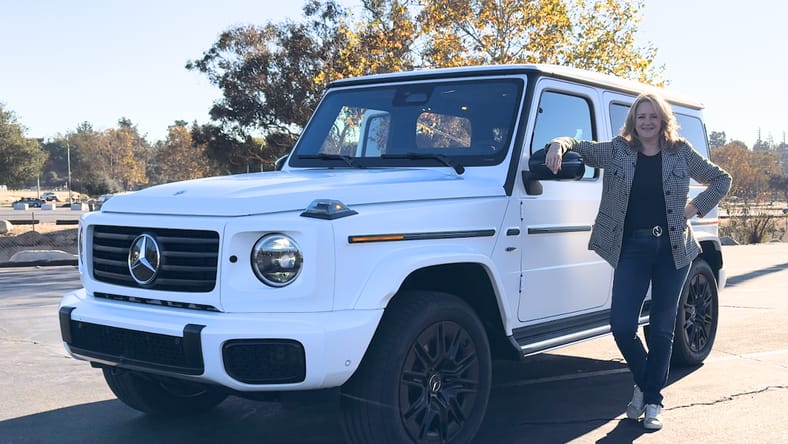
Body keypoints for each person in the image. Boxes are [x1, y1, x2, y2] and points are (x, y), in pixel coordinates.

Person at [545, 92, 731, 430]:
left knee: (661, 329)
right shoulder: (618, 150)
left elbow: (722, 179)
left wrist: (694, 208)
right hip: (632, 247)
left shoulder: (680, 153)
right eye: (641, 116)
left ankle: (653, 402)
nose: (647, 122)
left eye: (653, 116)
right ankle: (647, 386)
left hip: (674, 250)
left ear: (662, 121)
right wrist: (558, 144)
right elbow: (579, 146)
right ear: (634, 120)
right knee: (622, 325)